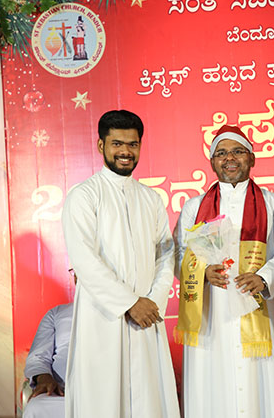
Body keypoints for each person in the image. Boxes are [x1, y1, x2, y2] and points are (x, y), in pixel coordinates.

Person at [61, 110, 179, 418]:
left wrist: (153, 301)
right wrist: (129, 303)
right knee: (103, 402)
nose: (125, 151)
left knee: (148, 400)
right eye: (117, 144)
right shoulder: (84, 196)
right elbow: (84, 261)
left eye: (132, 144)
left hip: (147, 316)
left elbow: (166, 254)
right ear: (101, 146)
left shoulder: (151, 199)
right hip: (103, 317)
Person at [174, 125, 274, 417]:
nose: (230, 158)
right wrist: (202, 272)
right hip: (211, 311)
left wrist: (264, 277)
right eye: (222, 153)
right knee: (212, 384)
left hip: (259, 307)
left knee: (262, 386)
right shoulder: (194, 207)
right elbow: (178, 254)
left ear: (252, 158)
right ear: (212, 162)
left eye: (238, 151)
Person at [23, 272, 74, 418]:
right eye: (74, 272)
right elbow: (37, 357)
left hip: (107, 394)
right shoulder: (57, 313)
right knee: (36, 408)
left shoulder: (120, 312)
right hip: (63, 395)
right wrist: (44, 377)